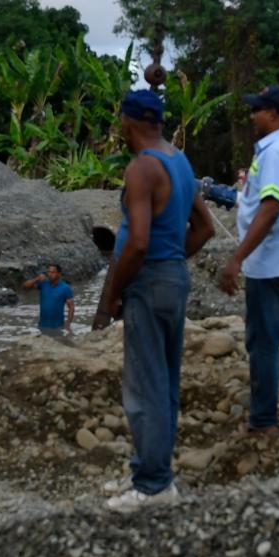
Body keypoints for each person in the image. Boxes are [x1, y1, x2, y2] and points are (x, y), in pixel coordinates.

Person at [93, 89, 214, 512]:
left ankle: (152, 486)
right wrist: (173, 258)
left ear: (128, 121)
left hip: (148, 282)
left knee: (144, 387)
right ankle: (149, 470)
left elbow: (138, 242)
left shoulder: (142, 169)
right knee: (162, 381)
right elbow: (204, 228)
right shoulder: (177, 160)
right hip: (173, 278)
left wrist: (110, 299)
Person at [219, 85, 279, 433]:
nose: (251, 116)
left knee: (263, 343)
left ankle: (263, 420)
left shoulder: (275, 153)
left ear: (273, 114)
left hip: (272, 262)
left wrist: (237, 258)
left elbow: (271, 206)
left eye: (257, 110)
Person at [22, 263, 75, 338]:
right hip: (42, 326)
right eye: (49, 272)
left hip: (57, 327)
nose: (50, 274)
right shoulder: (43, 284)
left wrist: (68, 324)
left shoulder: (65, 288)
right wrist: (37, 278)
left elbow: (71, 307)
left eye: (53, 272)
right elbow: (25, 286)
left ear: (59, 274)